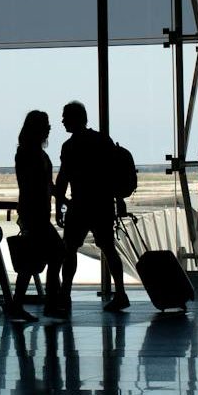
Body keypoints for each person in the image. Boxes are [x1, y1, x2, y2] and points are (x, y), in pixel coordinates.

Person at [53, 101, 130, 315]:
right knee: (108, 248)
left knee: (70, 249)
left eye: (65, 117)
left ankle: (65, 293)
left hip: (80, 204)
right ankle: (121, 293)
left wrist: (59, 203)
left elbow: (63, 178)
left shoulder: (69, 147)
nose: (62, 121)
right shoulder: (101, 140)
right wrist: (118, 199)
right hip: (102, 203)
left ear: (74, 119)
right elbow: (112, 173)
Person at [7, 111, 58, 322]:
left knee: (30, 261)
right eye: (46, 125)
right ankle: (50, 302)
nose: (49, 128)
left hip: (34, 213)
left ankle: (19, 304)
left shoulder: (27, 152)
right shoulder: (33, 154)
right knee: (56, 254)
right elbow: (38, 185)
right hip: (36, 214)